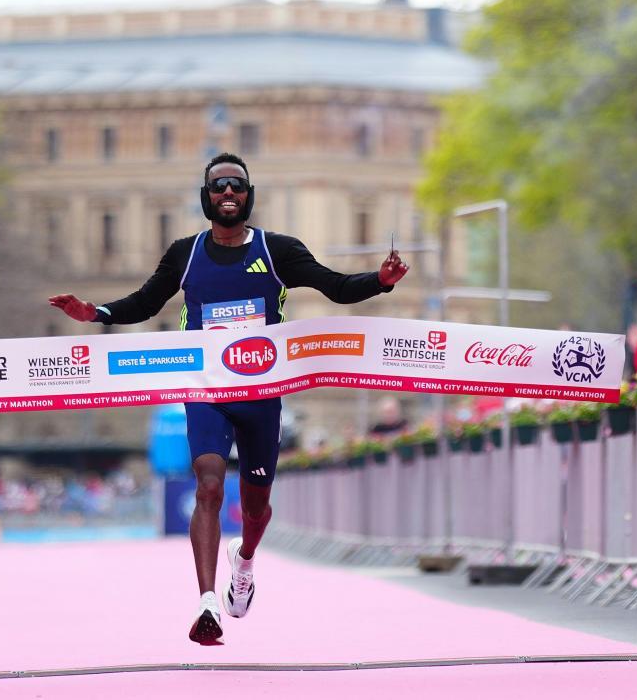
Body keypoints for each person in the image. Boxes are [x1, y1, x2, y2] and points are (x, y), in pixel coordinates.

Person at [50, 152, 408, 644]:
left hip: (261, 393)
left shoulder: (277, 250)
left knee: (256, 507)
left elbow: (335, 287)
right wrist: (96, 313)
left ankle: (245, 561)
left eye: (236, 185)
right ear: (206, 197)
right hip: (207, 389)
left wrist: (380, 281)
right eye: (219, 186)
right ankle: (207, 602)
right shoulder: (185, 254)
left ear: (248, 195)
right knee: (209, 486)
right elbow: (144, 303)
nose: (228, 193)